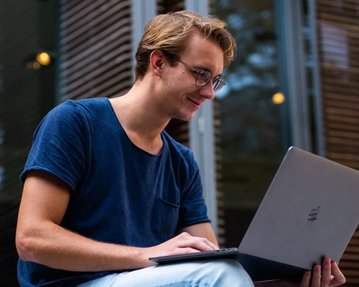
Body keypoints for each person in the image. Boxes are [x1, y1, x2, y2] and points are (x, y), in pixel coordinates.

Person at [15, 11, 346, 287]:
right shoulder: (75, 122)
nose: (210, 93)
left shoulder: (181, 162)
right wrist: (146, 255)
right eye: (201, 74)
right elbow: (31, 240)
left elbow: (209, 259)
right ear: (158, 62)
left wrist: (288, 278)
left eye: (215, 80)